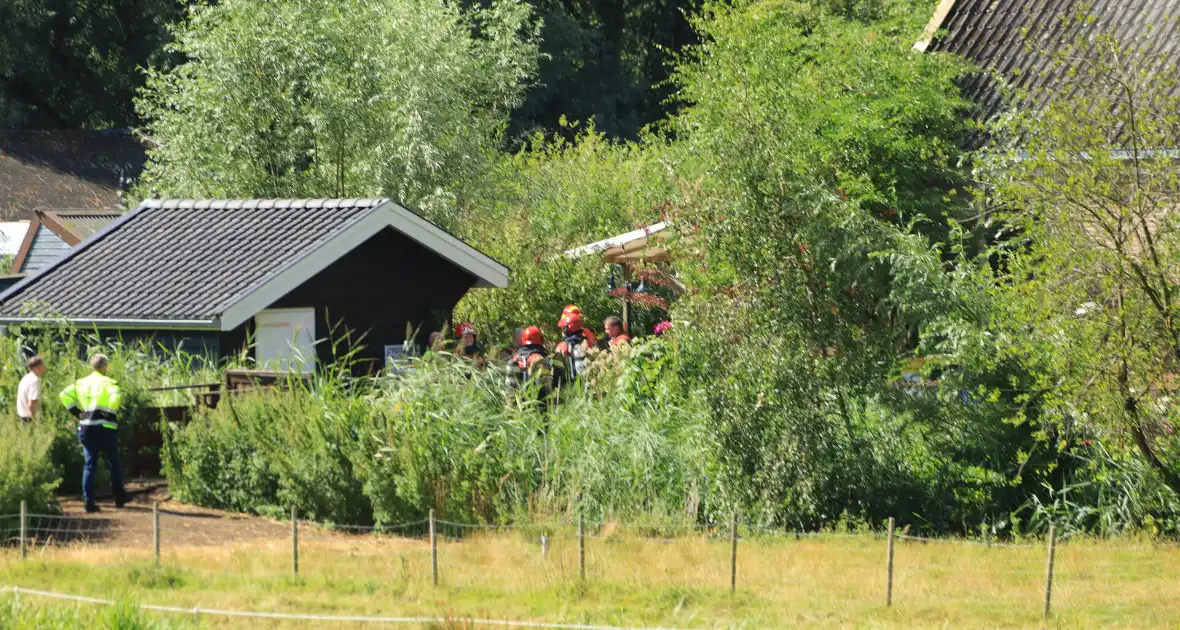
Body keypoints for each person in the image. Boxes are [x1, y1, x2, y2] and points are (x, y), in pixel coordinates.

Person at [60, 354, 129, 513]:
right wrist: (107, 414)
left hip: (86, 428)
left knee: (90, 464)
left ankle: (88, 502)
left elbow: (64, 394)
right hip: (105, 428)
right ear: (105, 367)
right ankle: (119, 497)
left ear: (92, 366)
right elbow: (115, 398)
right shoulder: (109, 383)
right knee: (113, 462)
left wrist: (76, 412)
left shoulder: (81, 383)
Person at [505, 326, 553, 408]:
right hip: (539, 408)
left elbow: (510, 390)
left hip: (520, 407)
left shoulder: (514, 360)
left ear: (523, 340)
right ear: (541, 340)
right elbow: (546, 391)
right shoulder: (542, 359)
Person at [555, 310, 593, 385]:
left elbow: (557, 373)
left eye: (563, 328)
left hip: (572, 387)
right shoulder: (588, 342)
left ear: (567, 329)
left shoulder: (562, 346)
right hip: (590, 384)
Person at [16, 355, 46, 423]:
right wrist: (34, 421)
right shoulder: (34, 381)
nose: (45, 368)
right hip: (28, 419)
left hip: (22, 416)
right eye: (43, 365)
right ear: (38, 367)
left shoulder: (26, 378)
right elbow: (31, 403)